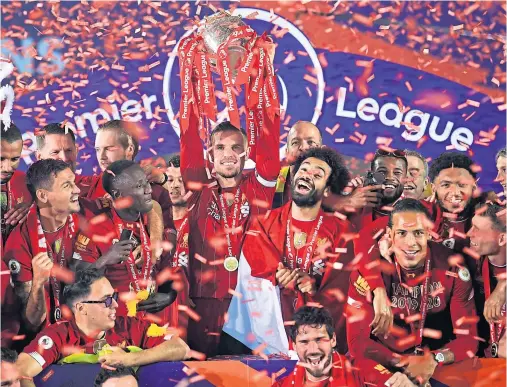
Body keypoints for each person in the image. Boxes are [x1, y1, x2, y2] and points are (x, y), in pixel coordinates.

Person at [180, 107, 280, 357]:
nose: (228, 155)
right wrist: (193, 80)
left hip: (250, 306)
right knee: (202, 376)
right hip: (204, 303)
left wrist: (258, 83)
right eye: (220, 148)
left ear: (246, 154)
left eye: (236, 148)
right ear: (209, 155)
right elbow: (188, 137)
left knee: (250, 378)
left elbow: (269, 142)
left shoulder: (259, 189)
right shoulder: (196, 190)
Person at [347, 199, 478, 386]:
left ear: (429, 234)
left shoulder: (453, 267)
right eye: (401, 233)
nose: (410, 243)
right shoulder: (367, 273)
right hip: (386, 362)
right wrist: (401, 362)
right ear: (389, 235)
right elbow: (357, 344)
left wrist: (434, 359)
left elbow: (469, 339)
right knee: (355, 365)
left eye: (418, 233)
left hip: (434, 362)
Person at [242, 147, 355, 351]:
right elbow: (251, 272)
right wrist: (276, 275)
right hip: (269, 339)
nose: (307, 175)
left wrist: (314, 289)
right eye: (303, 170)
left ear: (327, 189)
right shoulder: (263, 223)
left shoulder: (342, 231)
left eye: (317, 174)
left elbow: (343, 290)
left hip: (315, 342)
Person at [14, 269, 189, 387]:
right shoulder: (58, 335)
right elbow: (22, 371)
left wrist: (131, 359)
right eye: (106, 300)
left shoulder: (130, 326)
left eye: (113, 296)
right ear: (81, 308)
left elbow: (180, 347)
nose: (114, 304)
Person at [72, 160, 176, 319]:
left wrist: (169, 295)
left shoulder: (153, 219)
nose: (149, 190)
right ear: (119, 195)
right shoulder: (95, 229)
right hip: (114, 326)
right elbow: (75, 284)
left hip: (152, 323)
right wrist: (105, 259)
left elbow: (168, 266)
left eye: (147, 183)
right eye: (139, 186)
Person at [3, 159, 88, 332]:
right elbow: (31, 323)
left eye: (74, 182)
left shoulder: (87, 210)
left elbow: (145, 203)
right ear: (43, 195)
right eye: (67, 185)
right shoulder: (19, 243)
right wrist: (39, 283)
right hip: (47, 337)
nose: (77, 190)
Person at [276, 121, 381, 213]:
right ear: (287, 151)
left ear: (321, 149)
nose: (303, 147)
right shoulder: (273, 178)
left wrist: (350, 199)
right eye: (295, 142)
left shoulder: (338, 182)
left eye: (311, 142)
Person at [272, 306, 362, 387]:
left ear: (333, 340)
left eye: (319, 339)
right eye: (304, 342)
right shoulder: (281, 385)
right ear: (294, 346)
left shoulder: (364, 376)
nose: (313, 349)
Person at [467, 203, 506, 358]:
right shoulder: (472, 258)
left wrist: (503, 286)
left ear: (502, 238)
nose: (469, 233)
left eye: (479, 230)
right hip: (485, 357)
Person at [349, 149, 407, 232]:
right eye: (382, 172)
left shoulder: (415, 214)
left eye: (397, 173)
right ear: (370, 175)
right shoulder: (353, 208)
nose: (390, 177)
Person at [164, 153, 191, 335]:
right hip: (164, 308)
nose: (174, 186)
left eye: (181, 180)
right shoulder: (154, 222)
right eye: (170, 180)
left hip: (196, 306)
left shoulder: (201, 220)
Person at [1, 121, 31, 244]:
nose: (8, 168)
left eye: (14, 159)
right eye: (1, 158)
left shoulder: (29, 184)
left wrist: (36, 209)